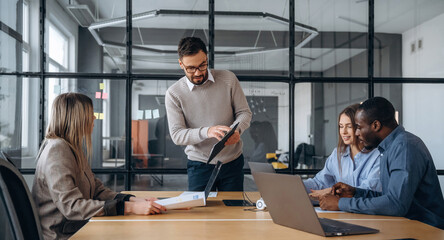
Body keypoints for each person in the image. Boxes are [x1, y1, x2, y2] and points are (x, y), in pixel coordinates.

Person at [32, 93, 166, 239]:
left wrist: (133, 200)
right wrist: (130, 208)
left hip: (80, 228)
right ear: (77, 117)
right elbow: (71, 206)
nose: (94, 117)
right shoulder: (57, 150)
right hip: (65, 235)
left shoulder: (72, 148)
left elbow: (97, 190)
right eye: (90, 113)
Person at [320, 97, 444, 230]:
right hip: (406, 225)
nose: (356, 133)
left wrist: (341, 203)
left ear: (376, 125)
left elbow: (396, 205)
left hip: (426, 230)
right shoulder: (389, 148)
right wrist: (355, 192)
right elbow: (389, 197)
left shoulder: (405, 147)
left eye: (359, 127)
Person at [165, 37, 252, 191]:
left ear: (207, 58)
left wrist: (236, 130)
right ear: (181, 64)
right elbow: (177, 135)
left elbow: (244, 113)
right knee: (200, 213)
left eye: (202, 65)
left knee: (234, 212)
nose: (198, 73)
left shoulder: (228, 79)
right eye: (191, 68)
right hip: (199, 165)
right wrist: (208, 131)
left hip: (233, 162)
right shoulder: (174, 93)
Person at [304, 104, 381, 200]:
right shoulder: (337, 154)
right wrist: (296, 185)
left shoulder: (378, 156)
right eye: (341, 126)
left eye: (349, 126)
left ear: (359, 127)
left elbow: (368, 191)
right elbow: (320, 182)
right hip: (338, 213)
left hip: (365, 213)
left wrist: (331, 191)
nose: (343, 132)